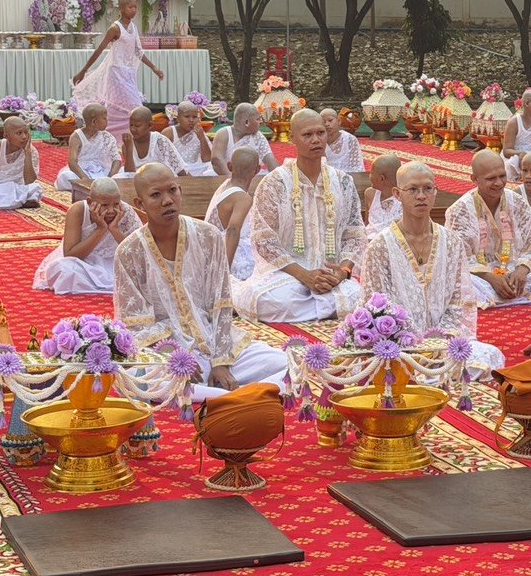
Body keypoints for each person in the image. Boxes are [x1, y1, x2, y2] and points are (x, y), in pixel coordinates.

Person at [115, 163, 287, 401]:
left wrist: (221, 362)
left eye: (172, 190)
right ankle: (235, 395)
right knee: (141, 378)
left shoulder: (208, 236)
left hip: (215, 343)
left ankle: (213, 393)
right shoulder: (129, 251)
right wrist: (175, 357)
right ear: (140, 203)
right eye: (156, 195)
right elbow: (135, 323)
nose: (167, 200)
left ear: (180, 191)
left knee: (284, 363)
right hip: (166, 353)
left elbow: (222, 303)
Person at [360, 161, 504, 377]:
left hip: (444, 343)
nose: (421, 196)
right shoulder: (380, 246)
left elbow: (459, 301)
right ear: (397, 194)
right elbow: (376, 305)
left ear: (435, 192)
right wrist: (411, 341)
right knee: (388, 363)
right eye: (413, 190)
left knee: (490, 356)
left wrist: (441, 338)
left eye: (427, 188)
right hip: (398, 345)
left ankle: (429, 372)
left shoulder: (452, 242)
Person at [237, 108, 365, 322]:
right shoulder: (274, 182)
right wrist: (304, 276)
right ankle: (322, 308)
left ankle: (319, 306)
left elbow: (355, 233)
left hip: (331, 276)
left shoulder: (343, 181)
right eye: (307, 135)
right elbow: (263, 240)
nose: (316, 140)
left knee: (358, 297)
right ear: (292, 138)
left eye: (320, 133)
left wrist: (342, 272)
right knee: (271, 300)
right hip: (287, 276)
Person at [447, 150, 531, 308]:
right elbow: (458, 257)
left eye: (502, 176)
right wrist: (490, 277)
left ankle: (504, 296)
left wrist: (522, 269)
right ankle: (515, 296)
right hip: (482, 278)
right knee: (458, 280)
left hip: (516, 271)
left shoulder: (517, 201)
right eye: (491, 178)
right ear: (474, 179)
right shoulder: (460, 210)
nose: (499, 183)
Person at [72, 0, 164, 136]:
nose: (133, 10)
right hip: (116, 72)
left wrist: (154, 68)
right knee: (134, 105)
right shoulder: (115, 28)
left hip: (129, 73)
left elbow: (138, 51)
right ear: (121, 8)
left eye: (135, 7)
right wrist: (83, 70)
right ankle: (121, 135)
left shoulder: (133, 27)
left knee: (120, 107)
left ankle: (114, 136)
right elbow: (100, 49)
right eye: (130, 7)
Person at [34, 177, 140, 295]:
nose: (111, 210)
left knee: (141, 271)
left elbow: (137, 252)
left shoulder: (125, 211)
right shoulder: (78, 210)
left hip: (114, 263)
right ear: (90, 202)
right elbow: (70, 255)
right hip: (84, 263)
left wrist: (114, 229)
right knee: (62, 269)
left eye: (116, 204)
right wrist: (101, 229)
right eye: (105, 205)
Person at [205, 147, 263, 282]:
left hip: (212, 247)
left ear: (229, 166)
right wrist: (224, 270)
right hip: (228, 252)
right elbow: (233, 230)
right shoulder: (242, 198)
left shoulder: (225, 185)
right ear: (257, 170)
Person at [54, 103, 121, 191]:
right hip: (81, 172)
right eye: (104, 118)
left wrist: (110, 177)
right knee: (65, 176)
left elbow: (117, 159)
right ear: (94, 122)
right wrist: (84, 178)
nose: (107, 121)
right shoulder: (77, 136)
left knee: (123, 175)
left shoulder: (107, 136)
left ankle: (100, 186)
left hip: (103, 172)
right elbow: (72, 162)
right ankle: (94, 187)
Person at [119, 105, 185, 181]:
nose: (133, 129)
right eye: (131, 125)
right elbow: (129, 174)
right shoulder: (127, 144)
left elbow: (178, 167)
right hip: (138, 183)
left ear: (150, 125)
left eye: (137, 126)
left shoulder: (160, 140)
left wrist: (189, 181)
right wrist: (129, 148)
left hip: (160, 181)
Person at [211, 103, 277, 174]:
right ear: (246, 122)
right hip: (224, 177)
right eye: (258, 119)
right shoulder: (224, 133)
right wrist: (232, 179)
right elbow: (216, 160)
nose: (260, 122)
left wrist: (279, 175)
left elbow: (270, 160)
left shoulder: (258, 136)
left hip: (251, 177)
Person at [164, 102, 215, 176]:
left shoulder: (198, 132)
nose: (191, 120)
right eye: (187, 116)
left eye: (194, 117)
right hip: (174, 170)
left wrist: (201, 137)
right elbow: (163, 159)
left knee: (212, 169)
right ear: (178, 118)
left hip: (194, 169)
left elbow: (207, 159)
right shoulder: (169, 132)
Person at [364, 154, 403, 239]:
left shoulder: (403, 199)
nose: (369, 176)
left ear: (381, 178)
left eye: (371, 173)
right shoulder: (370, 194)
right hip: (368, 240)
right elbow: (367, 223)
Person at [321, 108, 365, 174]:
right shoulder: (319, 141)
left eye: (330, 120)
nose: (327, 124)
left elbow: (357, 167)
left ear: (339, 121)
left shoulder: (350, 139)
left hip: (349, 176)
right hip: (327, 177)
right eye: (324, 122)